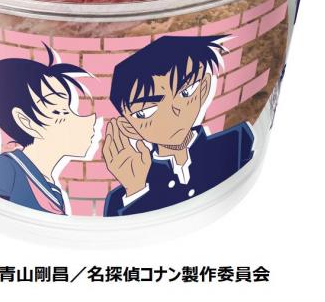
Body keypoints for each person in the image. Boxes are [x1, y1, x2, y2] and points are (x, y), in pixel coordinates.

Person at [0, 44, 100, 215]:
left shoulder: (51, 189)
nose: (87, 122)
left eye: (70, 110)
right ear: (26, 121)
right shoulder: (5, 170)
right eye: (60, 112)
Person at [102, 35, 255, 216]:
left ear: (204, 88)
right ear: (128, 126)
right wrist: (137, 190)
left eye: (186, 93)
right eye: (146, 112)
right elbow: (131, 229)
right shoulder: (121, 198)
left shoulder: (237, 143)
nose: (173, 113)